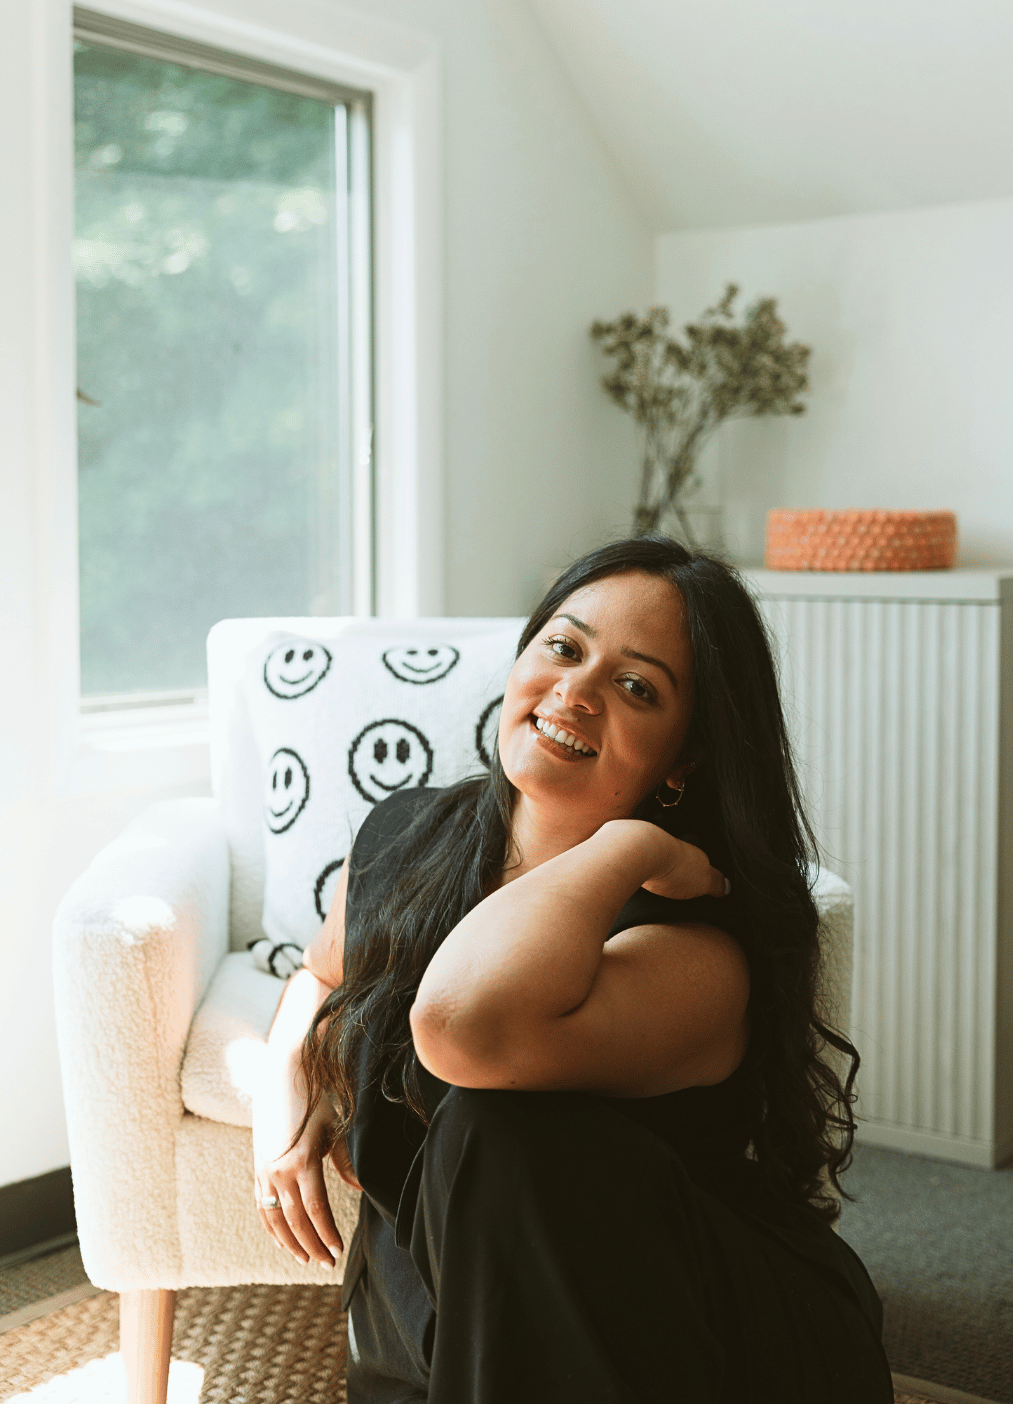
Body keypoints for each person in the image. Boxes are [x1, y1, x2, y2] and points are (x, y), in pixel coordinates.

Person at [251, 535, 894, 1404]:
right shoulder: (410, 835)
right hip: (440, 1316)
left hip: (683, 1337)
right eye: (564, 646)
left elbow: (459, 1026)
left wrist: (624, 848)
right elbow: (321, 974)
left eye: (636, 687)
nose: (576, 692)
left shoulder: (699, 942)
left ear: (686, 759)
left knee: (499, 1126)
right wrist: (284, 1071)